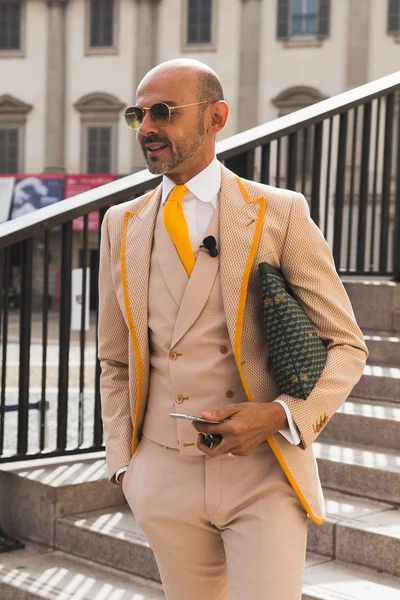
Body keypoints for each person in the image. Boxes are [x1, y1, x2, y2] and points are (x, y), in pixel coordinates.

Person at [98, 59, 368, 600]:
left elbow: (347, 344)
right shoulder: (120, 223)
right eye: (138, 115)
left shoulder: (279, 213)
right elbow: (115, 358)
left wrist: (280, 415)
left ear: (215, 117)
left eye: (164, 112)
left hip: (261, 474)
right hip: (162, 475)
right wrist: (126, 467)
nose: (147, 127)